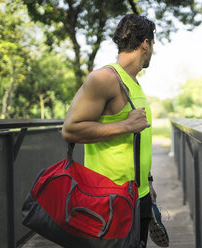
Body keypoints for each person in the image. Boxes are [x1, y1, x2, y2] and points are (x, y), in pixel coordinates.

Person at [62, 14, 157, 248]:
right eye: (153, 45)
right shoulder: (104, 78)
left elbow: (138, 140)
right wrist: (125, 126)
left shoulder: (132, 82)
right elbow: (70, 129)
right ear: (145, 44)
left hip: (139, 195)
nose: (153, 50)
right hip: (110, 199)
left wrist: (148, 182)